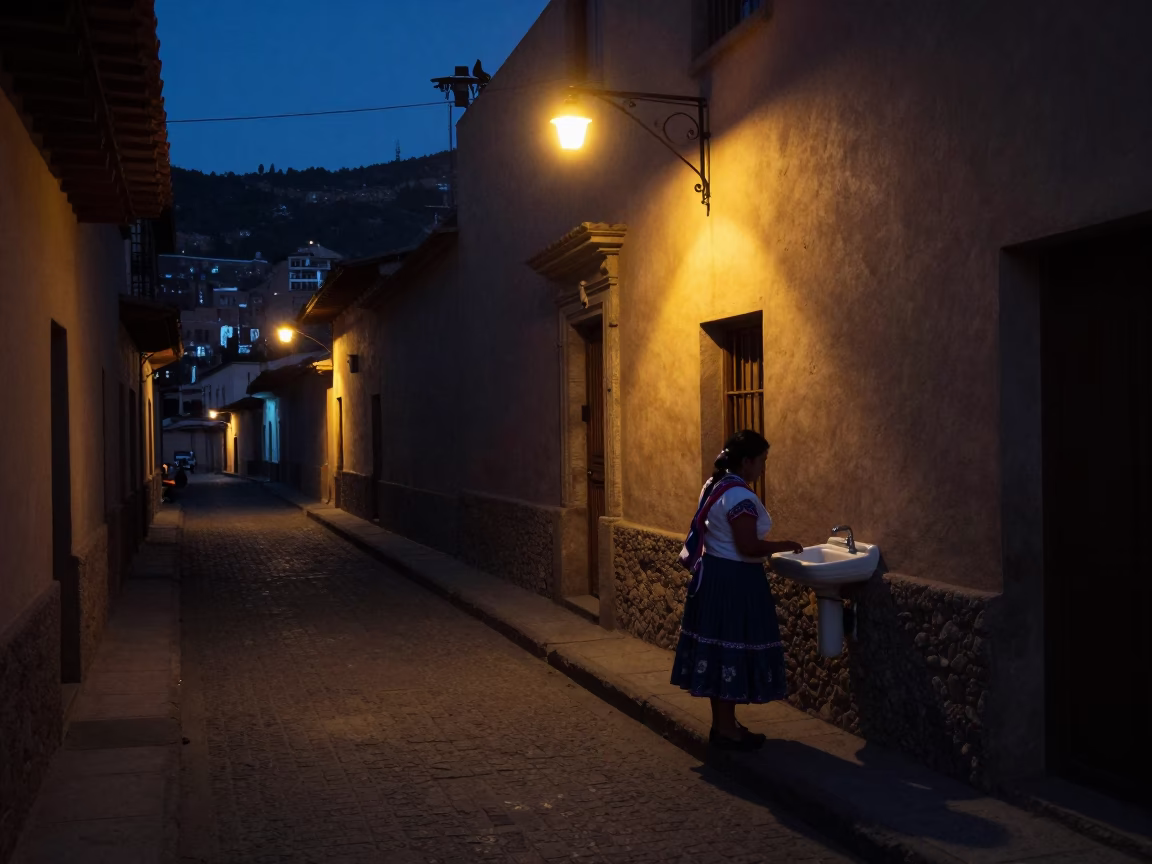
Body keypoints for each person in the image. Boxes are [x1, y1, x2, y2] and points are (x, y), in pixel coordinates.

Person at [670, 429, 804, 751]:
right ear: (746, 462)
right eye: (762, 461)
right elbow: (747, 546)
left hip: (714, 576)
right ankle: (727, 729)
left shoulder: (714, 484)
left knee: (718, 651)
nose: (763, 469)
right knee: (730, 648)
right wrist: (785, 545)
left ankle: (723, 724)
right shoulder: (740, 497)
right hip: (735, 582)